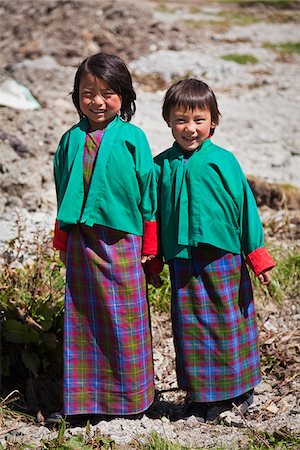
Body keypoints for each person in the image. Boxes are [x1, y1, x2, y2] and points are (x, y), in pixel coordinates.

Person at [152, 78, 275, 422]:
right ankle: (200, 395)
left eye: (198, 120)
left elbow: (245, 208)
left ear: (213, 122)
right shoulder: (161, 165)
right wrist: (155, 258)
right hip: (183, 259)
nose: (189, 129)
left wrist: (257, 256)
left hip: (223, 257)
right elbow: (154, 215)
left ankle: (238, 392)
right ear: (169, 122)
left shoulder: (223, 161)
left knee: (228, 321)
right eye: (181, 120)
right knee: (189, 326)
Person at [52, 52, 159, 421]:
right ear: (76, 97)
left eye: (108, 93)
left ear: (124, 97)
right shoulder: (70, 140)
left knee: (125, 319)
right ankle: (87, 403)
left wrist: (151, 243)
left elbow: (148, 192)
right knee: (83, 322)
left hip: (123, 244)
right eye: (87, 93)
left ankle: (134, 401)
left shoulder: (133, 139)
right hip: (82, 243)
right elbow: (62, 190)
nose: (97, 101)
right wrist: (63, 241)